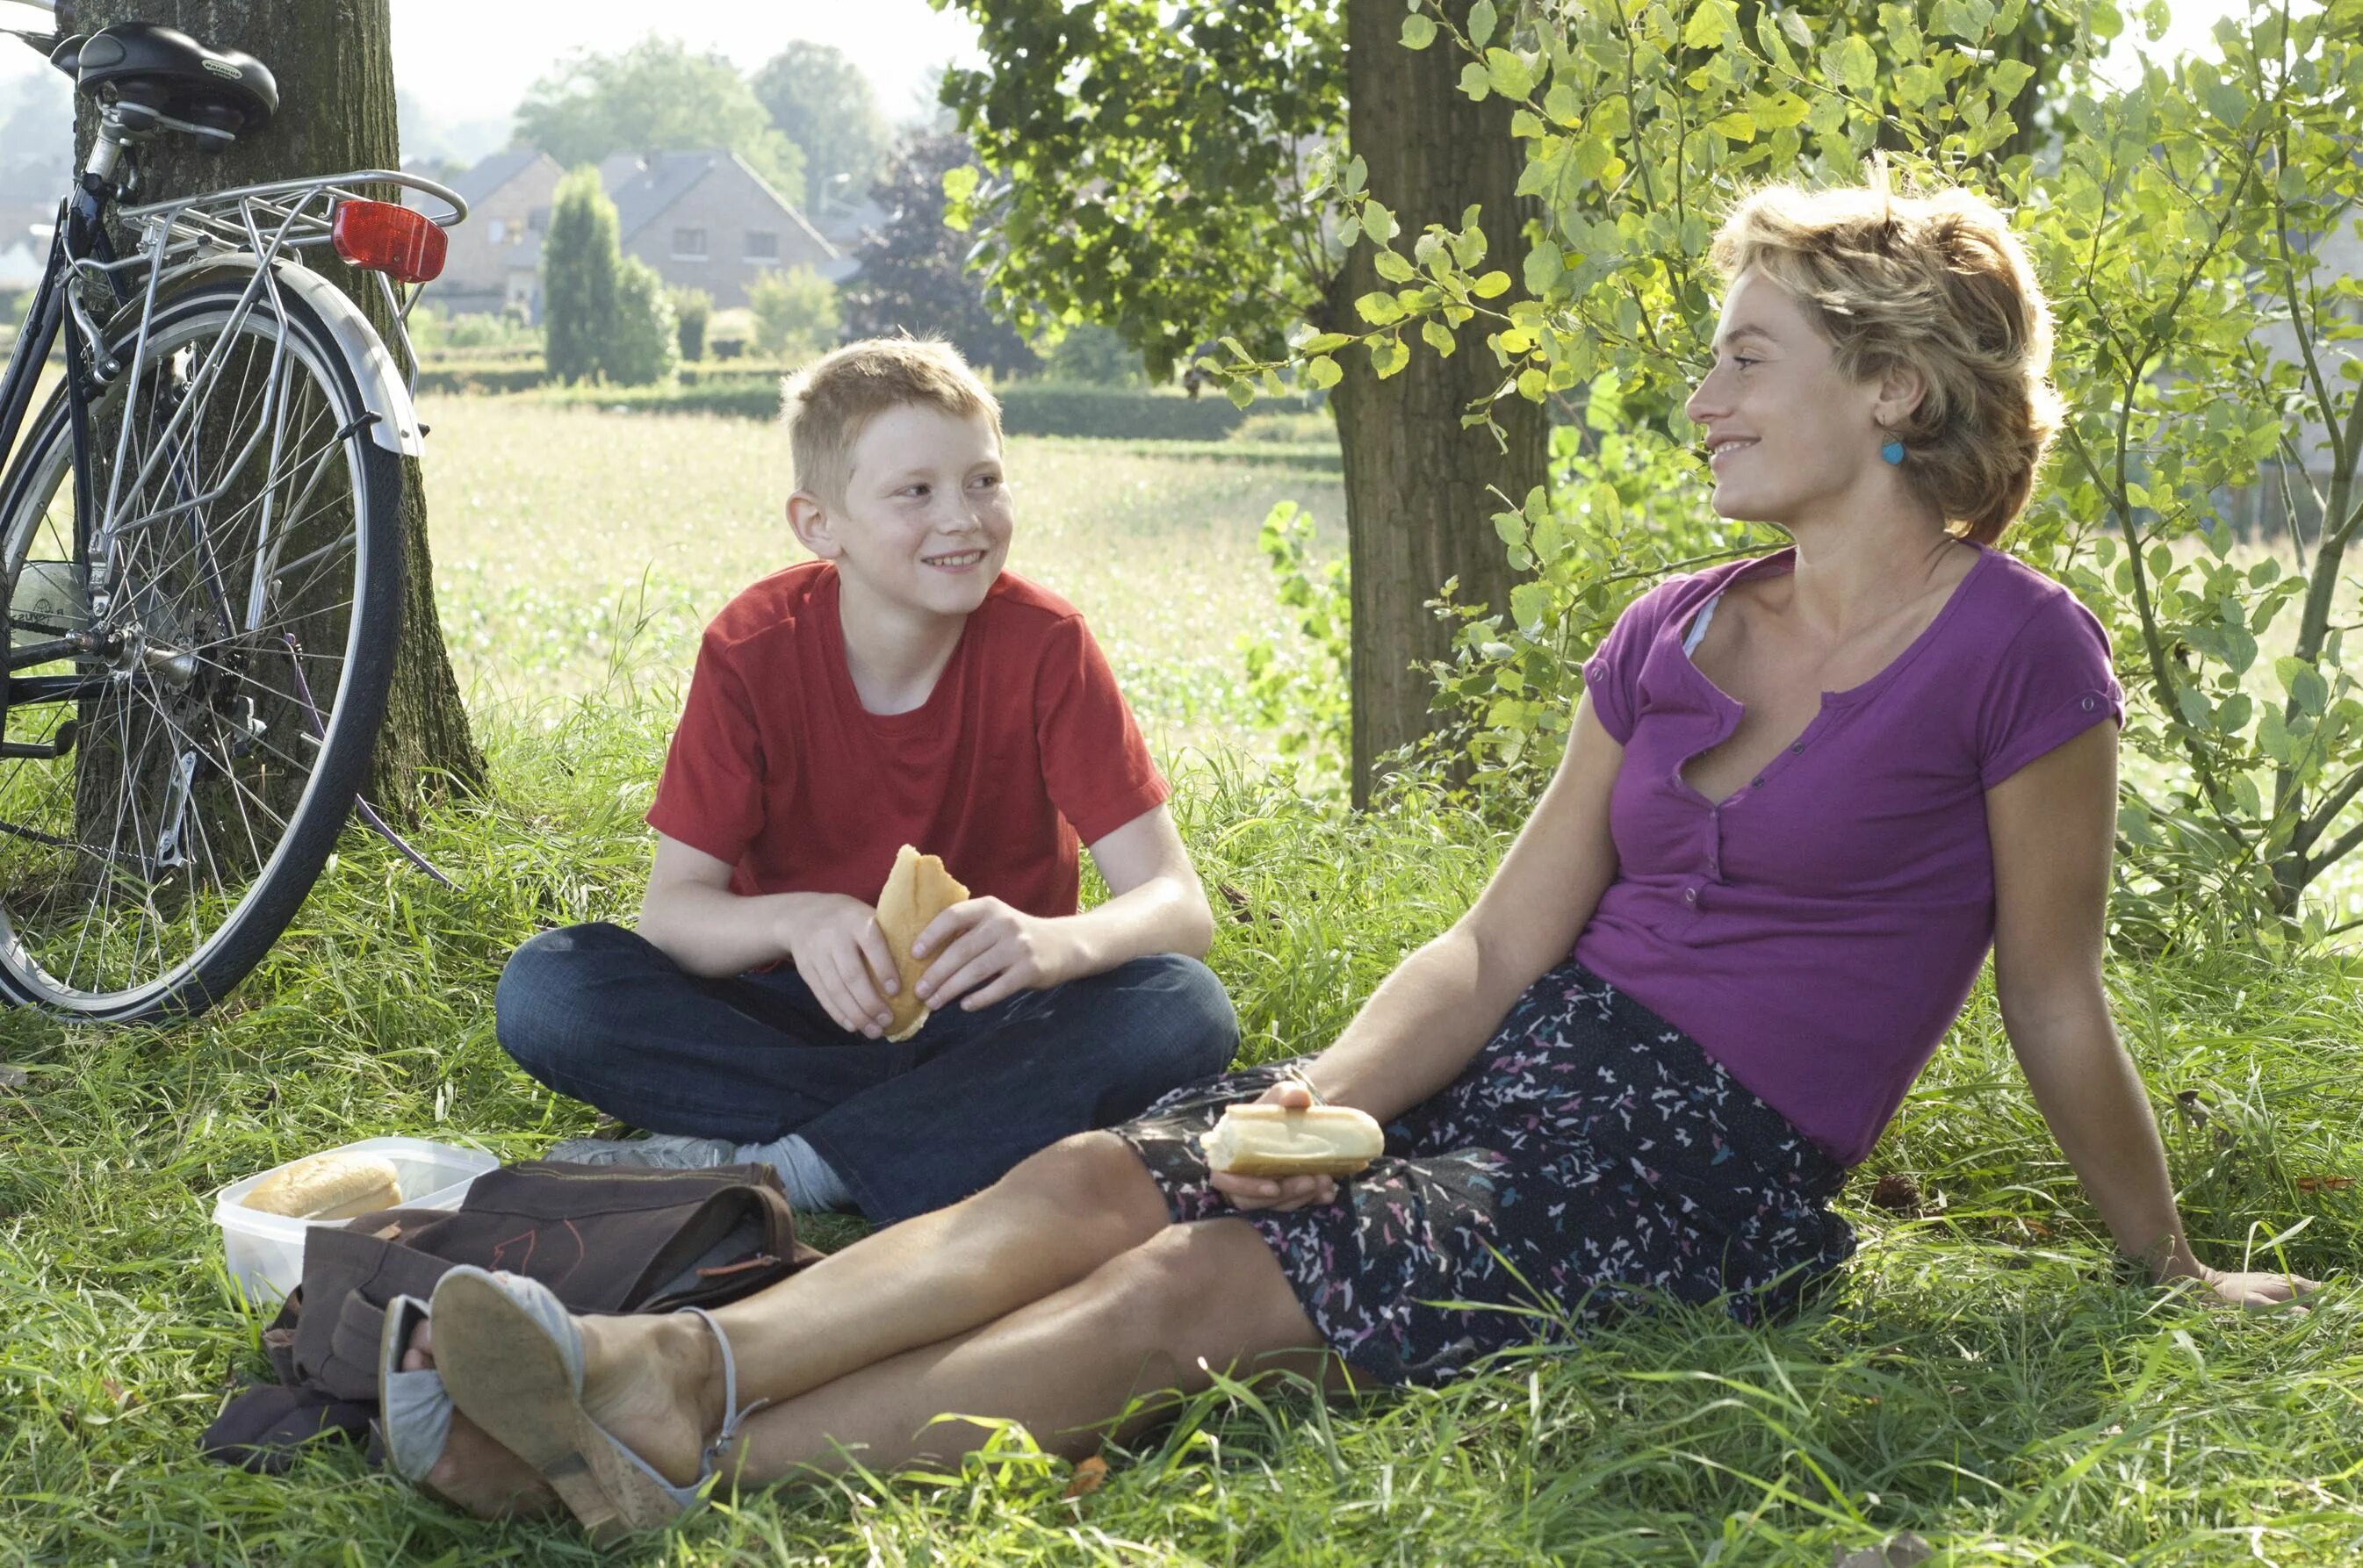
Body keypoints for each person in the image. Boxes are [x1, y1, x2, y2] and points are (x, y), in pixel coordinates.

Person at [397, 181, 2316, 1528]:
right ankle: (647, 1358)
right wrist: (1316, 1097)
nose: (1700, 399)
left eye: (1746, 359)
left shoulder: (2016, 649)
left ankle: (681, 1445)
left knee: (1189, 1293)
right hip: (1517, 1060)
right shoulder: (1666, 627)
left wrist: (2160, 1263)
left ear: (1891, 387)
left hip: (1698, 1157)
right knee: (1102, 1173)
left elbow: (2052, 991)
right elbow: (1490, 950)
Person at [492, 337, 1237, 1225]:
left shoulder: (1046, 645)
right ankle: (927, 1133)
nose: (962, 518)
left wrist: (1051, 943)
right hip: (786, 1015)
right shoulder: (751, 649)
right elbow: (673, 915)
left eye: (984, 481)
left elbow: (1177, 905)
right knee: (547, 988)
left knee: (1183, 1008)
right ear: (819, 524)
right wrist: (797, 918)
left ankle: (789, 1168)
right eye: (915, 493)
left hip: (986, 1011)